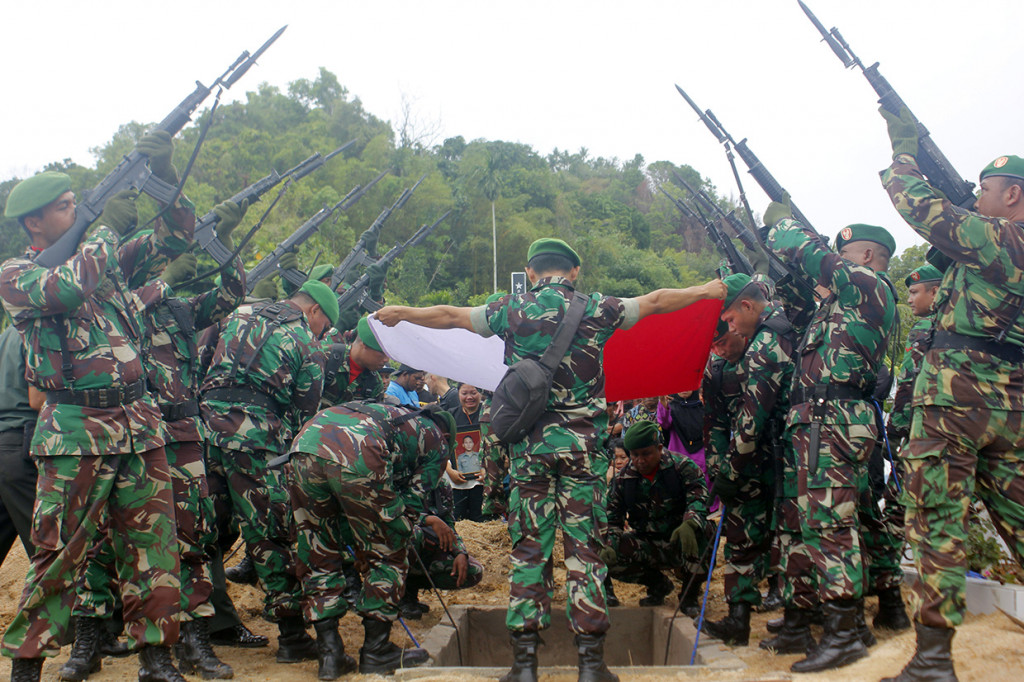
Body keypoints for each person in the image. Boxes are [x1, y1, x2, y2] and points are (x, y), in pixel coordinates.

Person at [375, 237, 726, 682]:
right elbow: (657, 301)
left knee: (528, 553)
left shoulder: (511, 309)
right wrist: (706, 291)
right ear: (574, 272)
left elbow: (450, 316)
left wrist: (401, 312)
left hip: (530, 455)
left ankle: (524, 666)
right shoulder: (599, 306)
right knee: (586, 553)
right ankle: (592, 666)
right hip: (583, 456)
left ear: (533, 270)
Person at [0, 130, 195, 682]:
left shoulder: (104, 262)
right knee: (58, 552)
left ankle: (157, 659)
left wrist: (167, 182)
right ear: (34, 224)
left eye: (74, 204)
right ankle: (28, 665)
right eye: (64, 208)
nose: (74, 211)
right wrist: (106, 224)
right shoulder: (19, 275)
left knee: (154, 548)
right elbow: (68, 288)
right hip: (75, 428)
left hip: (138, 423)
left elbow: (175, 240)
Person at [60, 205, 247, 682]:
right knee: (100, 538)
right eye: (157, 263)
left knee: (192, 536)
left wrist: (222, 243)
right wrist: (159, 282)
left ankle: (194, 641)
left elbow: (231, 294)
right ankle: (88, 639)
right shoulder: (116, 304)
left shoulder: (179, 309)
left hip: (180, 437)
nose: (163, 269)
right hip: (124, 432)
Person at [878, 107, 1024, 682]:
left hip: (957, 400)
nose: (975, 199)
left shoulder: (1001, 238)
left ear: (1012, 195)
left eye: (985, 190)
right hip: (1011, 406)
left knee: (936, 520)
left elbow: (919, 205)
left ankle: (933, 661)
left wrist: (904, 151)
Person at [763, 202, 898, 672]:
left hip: (833, 417)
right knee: (819, 521)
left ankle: (844, 634)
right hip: (823, 418)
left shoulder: (868, 284)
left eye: (844, 254)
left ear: (864, 254)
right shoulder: (845, 301)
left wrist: (780, 222)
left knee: (830, 525)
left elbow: (801, 250)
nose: (837, 265)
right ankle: (822, 620)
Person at [199, 280, 335, 664]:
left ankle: (198, 631)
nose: (322, 333)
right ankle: (292, 635)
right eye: (323, 325)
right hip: (257, 440)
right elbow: (304, 413)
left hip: (205, 429)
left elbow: (201, 360)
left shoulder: (237, 313)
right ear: (313, 312)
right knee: (269, 533)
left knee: (206, 527)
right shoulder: (307, 345)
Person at [283, 402, 454, 677]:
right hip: (358, 450)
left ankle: (330, 655)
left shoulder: (394, 416)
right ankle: (377, 651)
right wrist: (380, 540)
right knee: (389, 550)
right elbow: (410, 503)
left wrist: (359, 540)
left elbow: (343, 512)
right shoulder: (437, 444)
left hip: (305, 445)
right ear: (447, 437)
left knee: (317, 548)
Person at [700, 273, 797, 647]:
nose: (721, 348)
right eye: (715, 344)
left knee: (791, 537)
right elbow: (716, 423)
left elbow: (753, 418)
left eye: (725, 337)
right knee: (740, 538)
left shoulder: (770, 345)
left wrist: (732, 468)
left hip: (783, 459)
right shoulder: (717, 370)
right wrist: (719, 470)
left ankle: (798, 613)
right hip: (744, 469)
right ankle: (738, 617)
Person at [602, 421, 710, 612]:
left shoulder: (682, 467)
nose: (640, 460)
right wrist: (610, 544)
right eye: (634, 455)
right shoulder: (623, 480)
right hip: (647, 542)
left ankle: (690, 594)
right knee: (605, 552)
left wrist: (691, 523)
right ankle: (657, 584)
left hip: (679, 538)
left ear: (659, 448)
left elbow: (699, 498)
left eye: (646, 454)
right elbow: (612, 519)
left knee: (705, 533)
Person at [400, 479, 485, 620]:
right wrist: (429, 520)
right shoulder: (404, 477)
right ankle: (400, 595)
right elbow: (394, 514)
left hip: (431, 549)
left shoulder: (441, 485)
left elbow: (449, 525)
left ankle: (412, 588)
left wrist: (460, 552)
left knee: (473, 571)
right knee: (414, 535)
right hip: (401, 547)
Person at [0, 325, 40, 566]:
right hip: (25, 446)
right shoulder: (37, 330)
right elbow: (39, 399)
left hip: (5, 443)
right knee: (51, 552)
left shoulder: (7, 334)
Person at [449, 383, 485, 521]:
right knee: (458, 518)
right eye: (464, 393)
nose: (469, 397)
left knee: (480, 517)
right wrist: (449, 470)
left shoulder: (488, 413)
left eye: (474, 393)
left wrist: (487, 470)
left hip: (482, 479)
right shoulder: (450, 415)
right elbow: (442, 446)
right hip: (457, 479)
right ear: (458, 394)